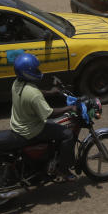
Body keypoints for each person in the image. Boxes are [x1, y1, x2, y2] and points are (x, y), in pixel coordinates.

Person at [10, 52, 77, 182]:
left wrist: (51, 92)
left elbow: (34, 93)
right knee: (67, 133)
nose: (38, 70)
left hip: (18, 124)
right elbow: (49, 113)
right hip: (31, 130)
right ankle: (63, 169)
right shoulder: (34, 94)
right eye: (35, 69)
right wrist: (70, 108)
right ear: (27, 72)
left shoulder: (17, 83)